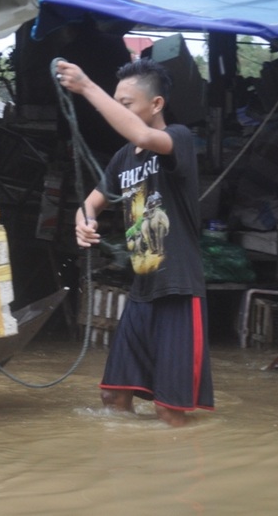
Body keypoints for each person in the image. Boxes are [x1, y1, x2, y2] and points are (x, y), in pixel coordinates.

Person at [56, 57, 213, 427]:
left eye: (125, 103)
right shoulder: (122, 159)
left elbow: (143, 136)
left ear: (156, 104)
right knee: (113, 395)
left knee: (168, 410)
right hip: (142, 289)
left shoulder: (178, 138)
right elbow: (88, 205)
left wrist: (86, 86)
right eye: (116, 103)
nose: (117, 110)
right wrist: (84, 223)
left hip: (178, 288)